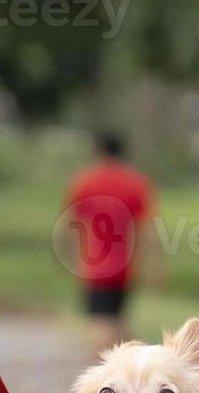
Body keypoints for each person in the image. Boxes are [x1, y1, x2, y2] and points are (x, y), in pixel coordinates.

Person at [64, 132, 161, 354]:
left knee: (101, 326)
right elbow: (147, 228)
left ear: (98, 151)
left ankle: (107, 377)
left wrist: (70, 258)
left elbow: (71, 223)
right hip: (125, 265)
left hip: (94, 264)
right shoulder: (136, 183)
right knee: (118, 320)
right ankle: (137, 364)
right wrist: (154, 266)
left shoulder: (84, 181)